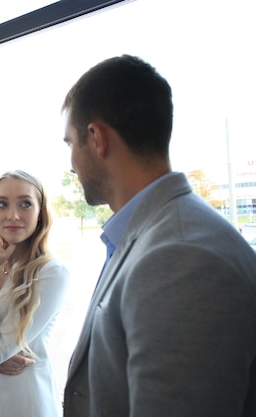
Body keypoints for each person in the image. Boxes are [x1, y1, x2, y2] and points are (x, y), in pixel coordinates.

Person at [61, 55, 256, 417]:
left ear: (97, 138)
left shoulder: (180, 257)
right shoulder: (150, 232)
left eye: (70, 142)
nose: (70, 162)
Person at [0, 170, 70, 417]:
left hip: (24, 404)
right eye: (2, 204)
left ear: (40, 213)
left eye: (25, 204)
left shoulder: (51, 272)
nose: (13, 215)